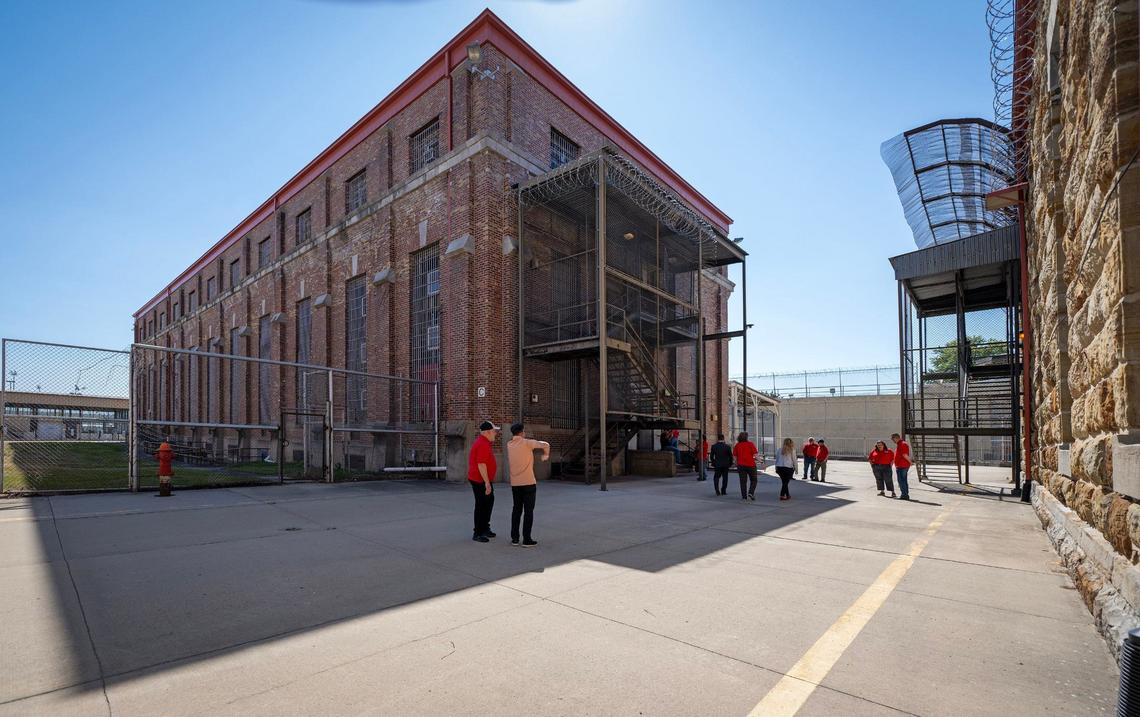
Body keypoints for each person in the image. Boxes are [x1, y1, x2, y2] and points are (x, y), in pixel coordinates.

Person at [506, 423, 549, 547]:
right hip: (528, 482)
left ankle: (515, 538)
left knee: (516, 510)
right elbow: (546, 444)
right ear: (521, 432)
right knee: (528, 511)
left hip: (515, 483)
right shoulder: (527, 443)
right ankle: (527, 539)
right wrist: (545, 455)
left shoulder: (509, 444)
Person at [468, 420, 500, 542]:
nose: (495, 433)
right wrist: (487, 483)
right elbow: (481, 464)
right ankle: (478, 533)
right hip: (479, 480)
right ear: (487, 432)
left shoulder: (485, 442)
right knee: (481, 505)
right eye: (494, 431)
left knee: (488, 502)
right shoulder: (482, 444)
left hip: (482, 479)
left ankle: (485, 528)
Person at [733, 432, 759, 501]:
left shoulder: (737, 445)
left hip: (741, 466)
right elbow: (756, 455)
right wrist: (760, 461)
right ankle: (751, 492)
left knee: (743, 482)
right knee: (754, 480)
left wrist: (736, 463)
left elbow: (735, 457)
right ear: (746, 437)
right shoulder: (750, 444)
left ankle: (744, 497)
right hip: (751, 465)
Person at [892, 433, 912, 500]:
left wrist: (910, 462)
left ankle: (904, 495)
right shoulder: (900, 444)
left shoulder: (902, 444)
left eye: (893, 439)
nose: (892, 440)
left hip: (902, 466)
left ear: (896, 438)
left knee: (901, 481)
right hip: (901, 465)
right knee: (903, 480)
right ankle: (905, 494)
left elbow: (904, 454)